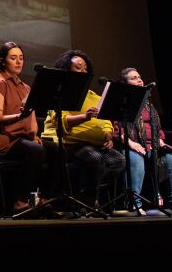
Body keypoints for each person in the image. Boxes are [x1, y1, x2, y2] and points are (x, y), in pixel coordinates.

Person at [41, 49, 125, 209]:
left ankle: (83, 195)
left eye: (85, 68)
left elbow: (106, 121)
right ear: (67, 70)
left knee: (119, 161)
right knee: (96, 159)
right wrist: (84, 117)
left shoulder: (94, 95)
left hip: (96, 143)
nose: (83, 71)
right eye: (78, 67)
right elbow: (61, 121)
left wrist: (108, 134)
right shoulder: (63, 93)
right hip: (73, 142)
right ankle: (90, 201)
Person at [118, 67, 172, 215]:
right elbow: (116, 129)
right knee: (136, 160)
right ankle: (134, 204)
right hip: (131, 146)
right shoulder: (121, 102)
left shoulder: (148, 104)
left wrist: (161, 142)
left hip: (152, 147)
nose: (139, 80)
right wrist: (132, 144)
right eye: (134, 78)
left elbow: (157, 130)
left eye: (139, 77)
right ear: (124, 83)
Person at [0, 41, 44, 215]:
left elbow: (32, 117)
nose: (19, 62)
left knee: (55, 149)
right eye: (13, 58)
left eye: (21, 58)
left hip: (21, 138)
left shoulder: (26, 87)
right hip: (1, 137)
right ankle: (21, 201)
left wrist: (34, 135)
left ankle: (47, 199)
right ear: (3, 61)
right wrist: (19, 116)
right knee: (35, 151)